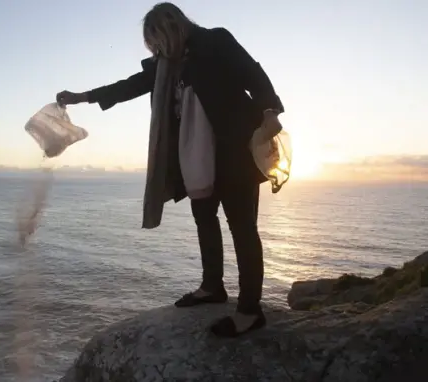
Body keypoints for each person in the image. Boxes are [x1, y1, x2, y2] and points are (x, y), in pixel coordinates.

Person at [56, 2, 284, 337]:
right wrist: (82, 97)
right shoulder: (166, 64)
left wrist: (269, 112)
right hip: (194, 155)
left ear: (172, 26)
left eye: (157, 40)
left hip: (235, 149)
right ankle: (212, 287)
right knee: (204, 218)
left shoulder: (216, 41)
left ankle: (250, 310)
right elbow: (130, 85)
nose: (157, 49)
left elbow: (254, 74)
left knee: (242, 227)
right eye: (153, 45)